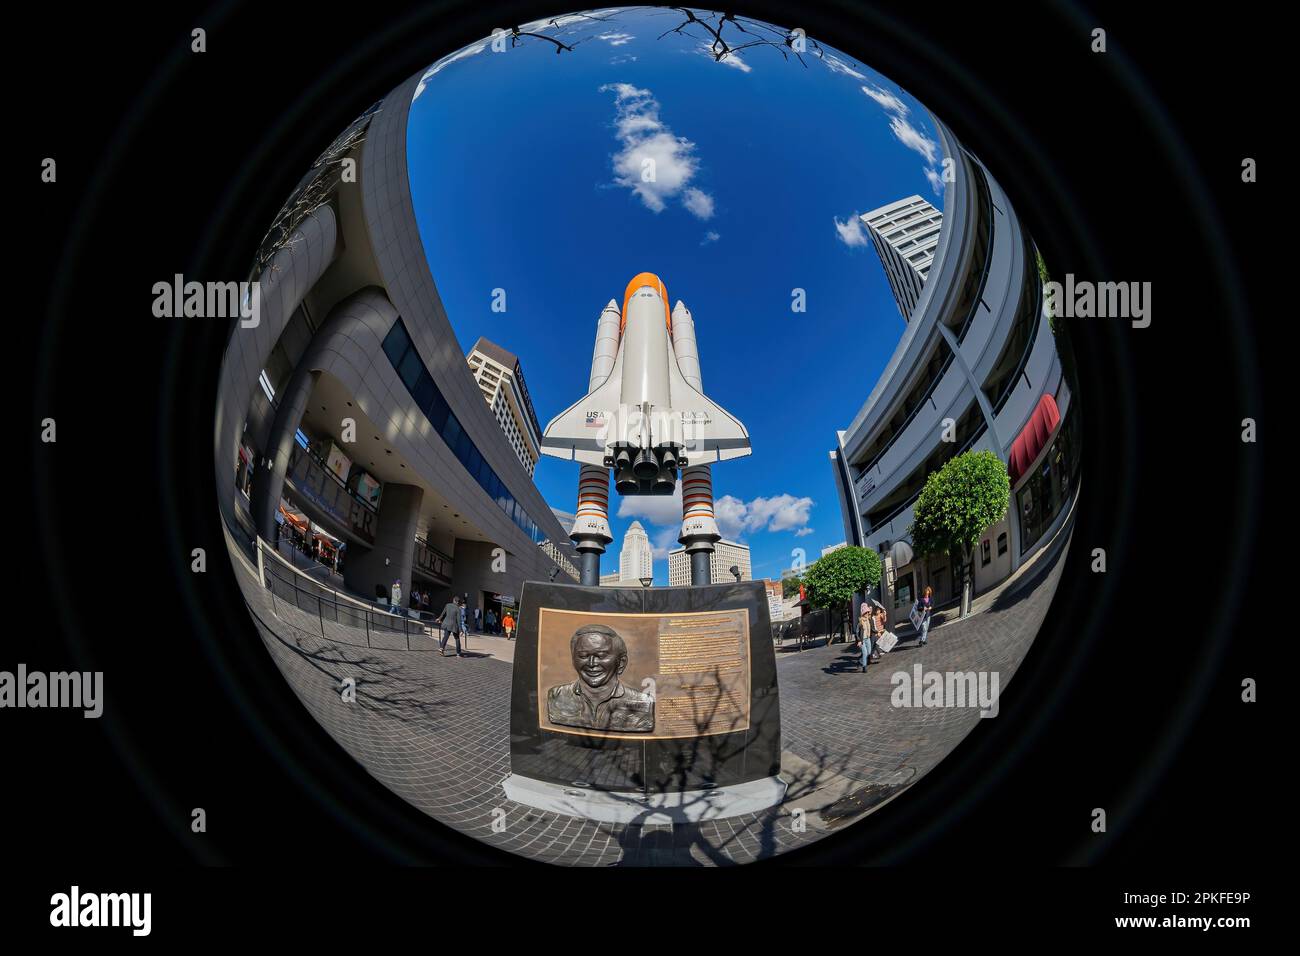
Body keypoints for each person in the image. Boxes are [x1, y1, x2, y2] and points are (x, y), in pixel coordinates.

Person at [545, 624, 654, 732]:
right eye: (583, 656)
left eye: (601, 656)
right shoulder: (557, 696)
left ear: (621, 662)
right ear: (573, 660)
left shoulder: (642, 703)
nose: (592, 663)